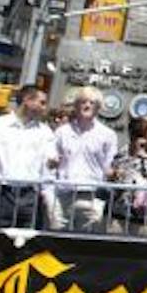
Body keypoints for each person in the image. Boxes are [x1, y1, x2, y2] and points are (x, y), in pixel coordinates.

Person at [0, 86, 56, 227]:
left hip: (30, 195)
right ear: (27, 100)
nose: (44, 107)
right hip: (1, 193)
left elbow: (50, 161)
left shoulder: (45, 132)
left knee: (30, 237)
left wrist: (53, 163)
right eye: (42, 102)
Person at [53, 87, 120, 231]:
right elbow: (52, 162)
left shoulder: (108, 135)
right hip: (62, 195)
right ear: (76, 105)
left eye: (92, 102)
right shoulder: (61, 132)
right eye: (83, 102)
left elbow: (109, 166)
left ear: (99, 108)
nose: (87, 105)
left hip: (91, 196)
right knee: (55, 239)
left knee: (85, 241)